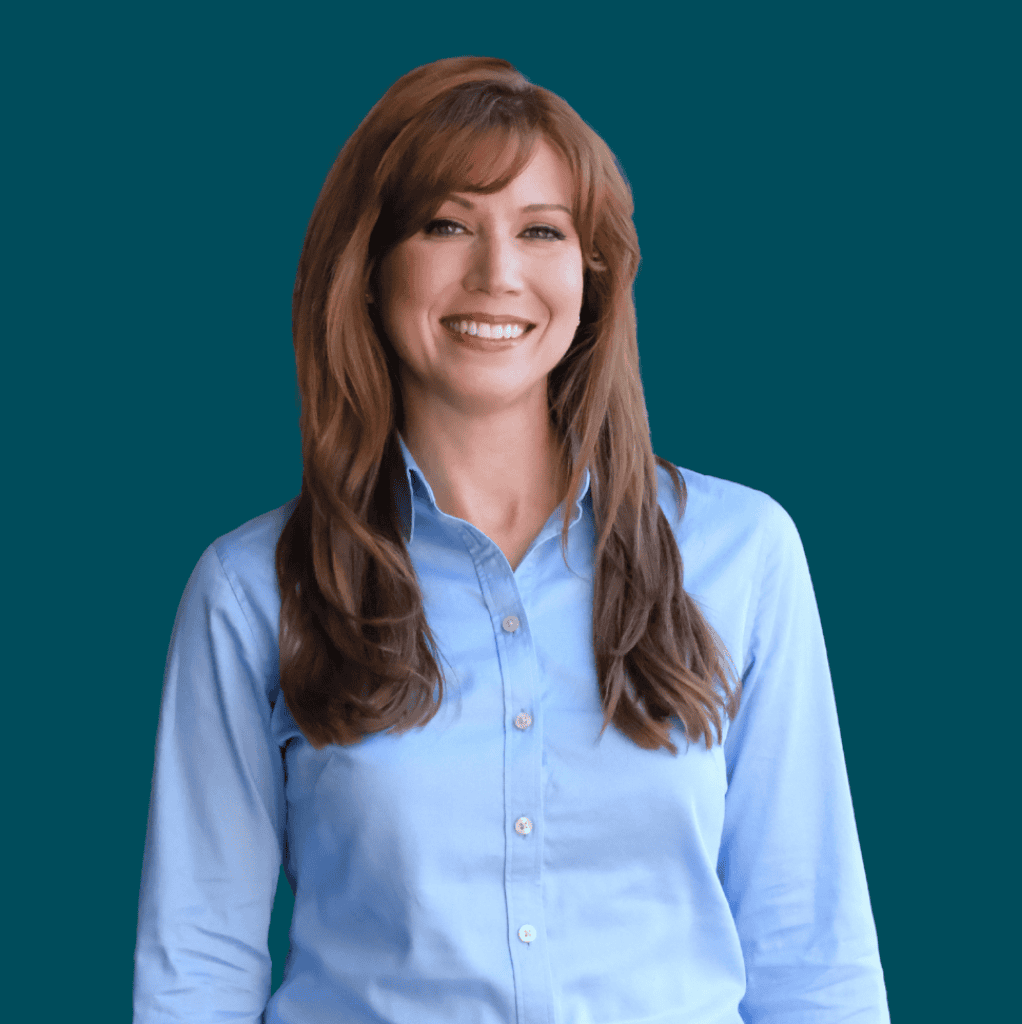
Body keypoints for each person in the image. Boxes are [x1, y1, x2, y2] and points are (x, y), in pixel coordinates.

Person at [133, 56, 889, 1024]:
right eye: (446, 225)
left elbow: (810, 953)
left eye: (540, 231)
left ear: (590, 275)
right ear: (367, 269)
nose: (497, 273)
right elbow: (196, 967)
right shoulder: (252, 589)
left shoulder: (742, 553)